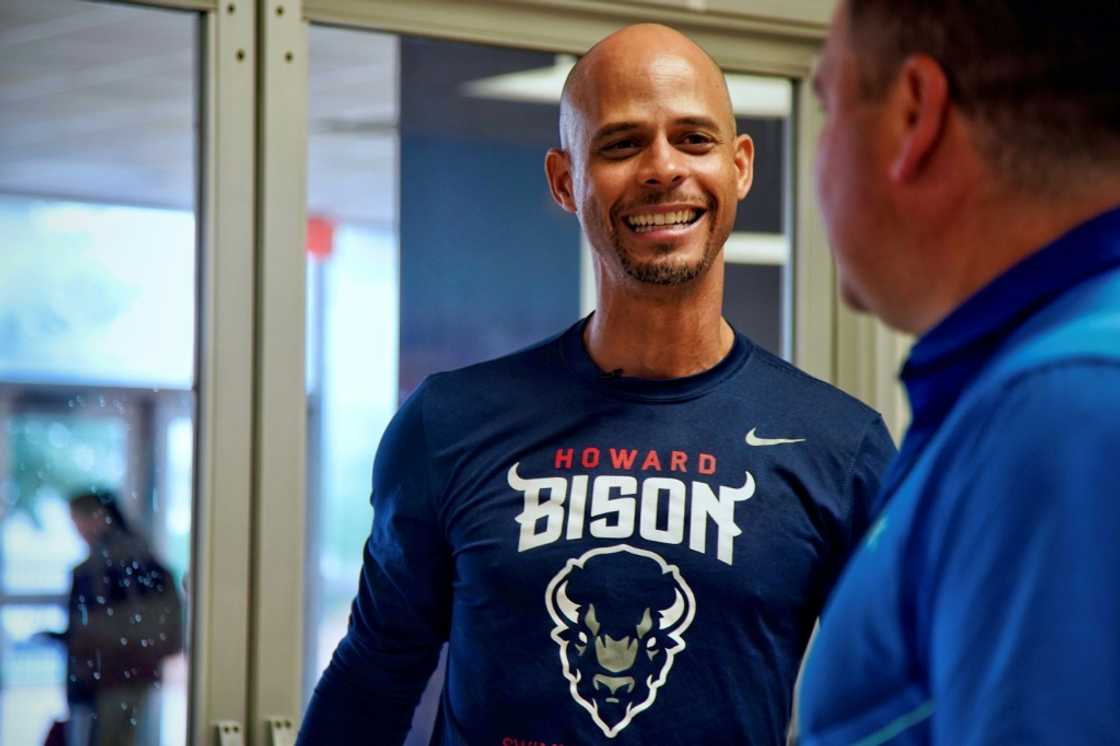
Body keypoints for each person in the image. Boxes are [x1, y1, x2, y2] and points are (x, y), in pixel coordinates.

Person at [299, 23, 895, 745]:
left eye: (694, 139)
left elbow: (895, 701)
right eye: (620, 144)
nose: (662, 168)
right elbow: (372, 679)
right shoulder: (449, 424)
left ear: (740, 167)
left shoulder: (838, 447)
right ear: (563, 180)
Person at [798, 1, 1120, 744]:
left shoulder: (1066, 412)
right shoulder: (1026, 389)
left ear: (914, 116)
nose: (817, 158)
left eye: (828, 104)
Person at [42, 489, 184, 746]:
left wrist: (78, 641)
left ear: (99, 518)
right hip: (133, 673)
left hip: (112, 675)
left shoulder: (107, 568)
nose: (77, 530)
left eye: (77, 520)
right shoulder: (142, 558)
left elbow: (110, 625)